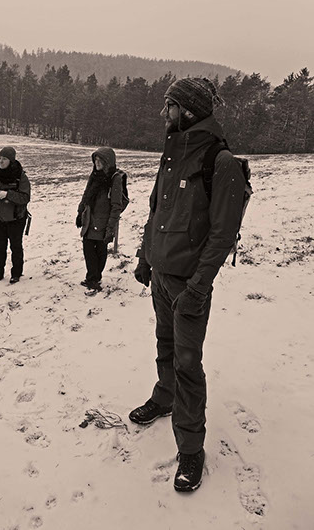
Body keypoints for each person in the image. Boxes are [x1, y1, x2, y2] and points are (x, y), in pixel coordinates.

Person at [130, 77, 246, 492]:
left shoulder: (221, 161)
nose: (164, 113)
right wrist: (145, 257)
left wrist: (198, 287)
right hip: (161, 275)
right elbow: (156, 211)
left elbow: (222, 234)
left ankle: (191, 448)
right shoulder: (171, 154)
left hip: (189, 285)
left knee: (187, 363)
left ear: (189, 110)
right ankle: (164, 397)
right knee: (164, 343)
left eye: (170, 105)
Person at [75, 147, 123, 292]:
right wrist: (80, 213)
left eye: (100, 160)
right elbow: (86, 195)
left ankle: (94, 279)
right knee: (88, 249)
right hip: (89, 219)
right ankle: (92, 277)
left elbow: (116, 205)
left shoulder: (114, 179)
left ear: (107, 162)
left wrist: (110, 227)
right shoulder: (94, 175)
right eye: (95, 160)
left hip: (103, 221)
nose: (97, 163)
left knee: (100, 251)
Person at [0, 146, 31, 285]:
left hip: (16, 219)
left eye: (4, 159)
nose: (0, 161)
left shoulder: (20, 176)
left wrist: (8, 194)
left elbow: (25, 197)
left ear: (11, 160)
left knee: (15, 247)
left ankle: (16, 273)